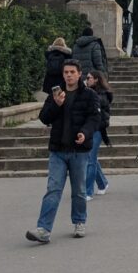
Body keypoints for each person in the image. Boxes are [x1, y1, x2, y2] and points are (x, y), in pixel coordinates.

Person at [26, 60, 100, 244]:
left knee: (79, 191)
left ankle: (79, 221)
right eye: (66, 72)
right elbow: (44, 118)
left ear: (79, 73)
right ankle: (43, 229)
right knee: (53, 189)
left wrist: (85, 133)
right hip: (58, 150)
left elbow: (94, 118)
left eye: (72, 72)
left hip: (79, 151)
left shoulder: (89, 95)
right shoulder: (56, 94)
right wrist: (56, 105)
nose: (68, 75)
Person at [84, 70, 113, 200]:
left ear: (96, 79)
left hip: (97, 130)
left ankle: (87, 191)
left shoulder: (102, 94)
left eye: (89, 78)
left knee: (90, 159)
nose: (87, 79)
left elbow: (96, 105)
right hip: (87, 129)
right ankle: (103, 183)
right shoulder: (88, 92)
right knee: (92, 159)